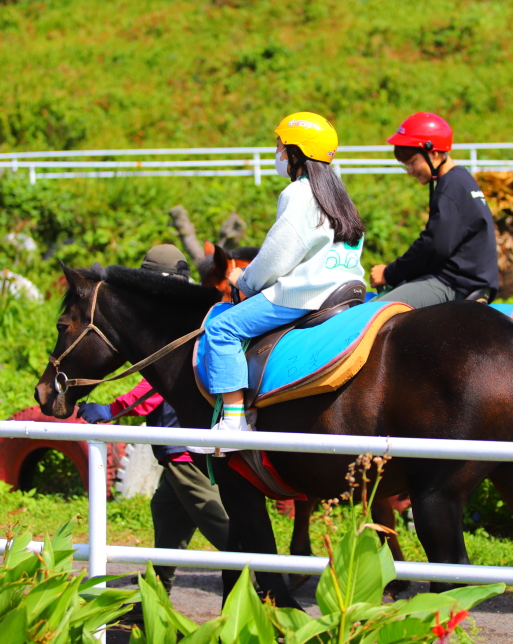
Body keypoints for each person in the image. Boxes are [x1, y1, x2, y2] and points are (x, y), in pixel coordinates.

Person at [77, 244, 230, 594]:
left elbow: (154, 392)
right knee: (165, 511)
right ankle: (154, 595)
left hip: (185, 449)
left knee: (223, 528)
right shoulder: (186, 319)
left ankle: (262, 580)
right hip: (175, 447)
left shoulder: (175, 326)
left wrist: (111, 411)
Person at [207, 111, 366, 432]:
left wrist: (245, 281)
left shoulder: (299, 192)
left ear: (296, 153)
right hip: (350, 288)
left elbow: (278, 256)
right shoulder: (338, 192)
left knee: (221, 329)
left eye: (280, 147)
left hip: (305, 295)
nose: (277, 154)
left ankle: (234, 424)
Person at [369, 112, 500, 308]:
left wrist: (390, 273)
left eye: (412, 163)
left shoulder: (451, 188)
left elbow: (434, 245)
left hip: (454, 282)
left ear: (434, 153)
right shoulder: (461, 180)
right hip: (470, 278)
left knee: (372, 312)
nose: (411, 171)